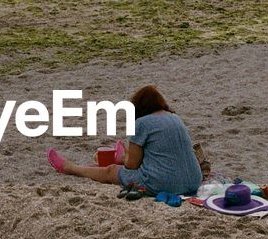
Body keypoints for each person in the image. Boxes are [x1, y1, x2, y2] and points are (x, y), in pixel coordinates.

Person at [47, 84, 203, 197]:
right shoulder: (175, 118)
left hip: (163, 183)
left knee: (111, 171)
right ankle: (121, 155)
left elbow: (132, 165)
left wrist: (126, 159)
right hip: (194, 180)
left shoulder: (142, 123)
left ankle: (70, 167)